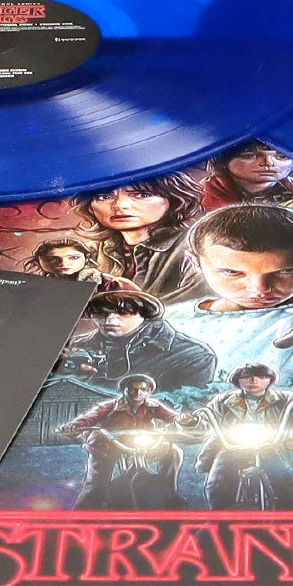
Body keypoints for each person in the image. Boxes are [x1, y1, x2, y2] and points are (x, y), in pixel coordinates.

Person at [168, 204, 293, 386]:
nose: (259, 289)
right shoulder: (172, 320)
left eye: (286, 271)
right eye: (231, 272)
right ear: (195, 262)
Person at [188, 363, 293, 508]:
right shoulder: (222, 401)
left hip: (278, 448)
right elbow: (204, 421)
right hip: (233, 448)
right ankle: (222, 518)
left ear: (270, 379)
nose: (254, 380)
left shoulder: (286, 398)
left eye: (261, 376)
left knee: (288, 489)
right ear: (237, 380)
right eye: (246, 376)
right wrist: (189, 421)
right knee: (216, 485)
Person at [60, 374, 185, 508]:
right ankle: (83, 514)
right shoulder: (110, 406)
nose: (138, 393)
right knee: (96, 483)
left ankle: (170, 493)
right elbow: (89, 417)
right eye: (133, 389)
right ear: (124, 390)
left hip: (138, 444)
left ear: (149, 391)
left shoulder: (153, 406)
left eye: (143, 389)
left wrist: (183, 419)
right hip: (108, 445)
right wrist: (74, 425)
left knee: (173, 451)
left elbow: (172, 416)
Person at [60, 288, 217, 393]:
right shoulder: (73, 345)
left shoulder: (192, 355)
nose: (110, 319)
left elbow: (184, 404)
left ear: (145, 314)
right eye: (100, 313)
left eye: (123, 312)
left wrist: (92, 382)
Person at [196, 142, 293, 246]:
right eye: (250, 155)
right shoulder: (193, 201)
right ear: (223, 160)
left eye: (281, 156)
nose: (268, 163)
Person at [77, 176, 204, 300]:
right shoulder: (90, 250)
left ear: (175, 199)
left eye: (143, 195)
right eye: (104, 197)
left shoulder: (195, 246)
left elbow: (192, 306)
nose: (119, 205)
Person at [26, 237, 106, 284]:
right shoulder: (34, 284)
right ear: (38, 261)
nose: (63, 263)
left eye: (73, 257)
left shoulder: (106, 282)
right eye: (51, 259)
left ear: (86, 257)